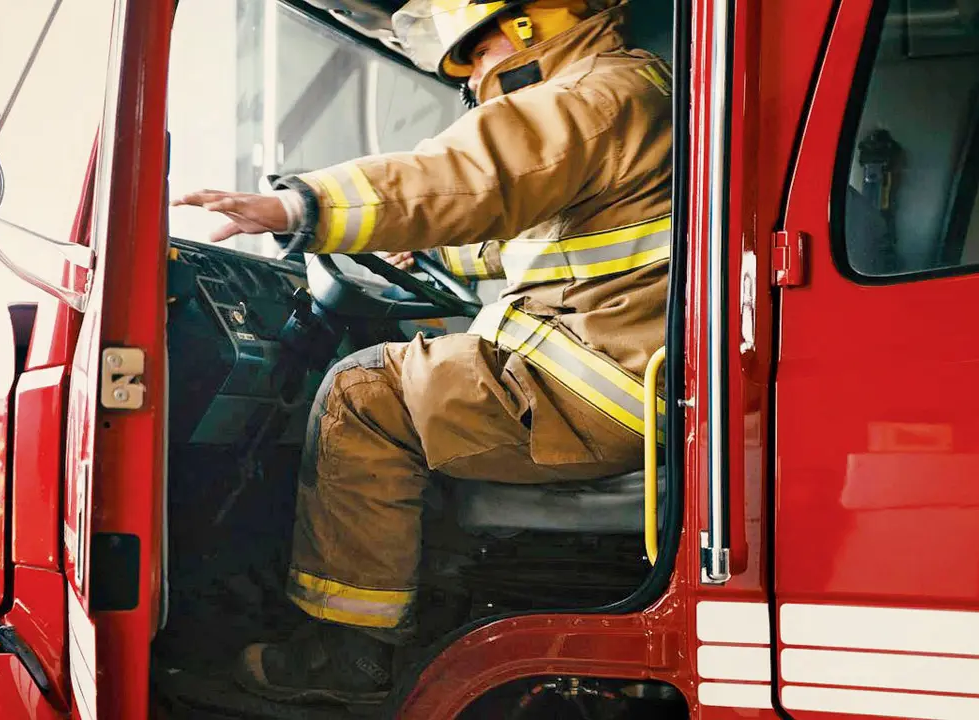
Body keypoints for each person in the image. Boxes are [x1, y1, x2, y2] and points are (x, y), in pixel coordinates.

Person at [173, 0, 673, 705]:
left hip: (596, 385)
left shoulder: (589, 97)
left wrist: (300, 208)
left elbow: (475, 174)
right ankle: (428, 602)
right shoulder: (640, 87)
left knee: (364, 394)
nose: (473, 75)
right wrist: (431, 247)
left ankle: (350, 653)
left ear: (526, 27)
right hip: (625, 373)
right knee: (420, 385)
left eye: (473, 52)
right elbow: (535, 230)